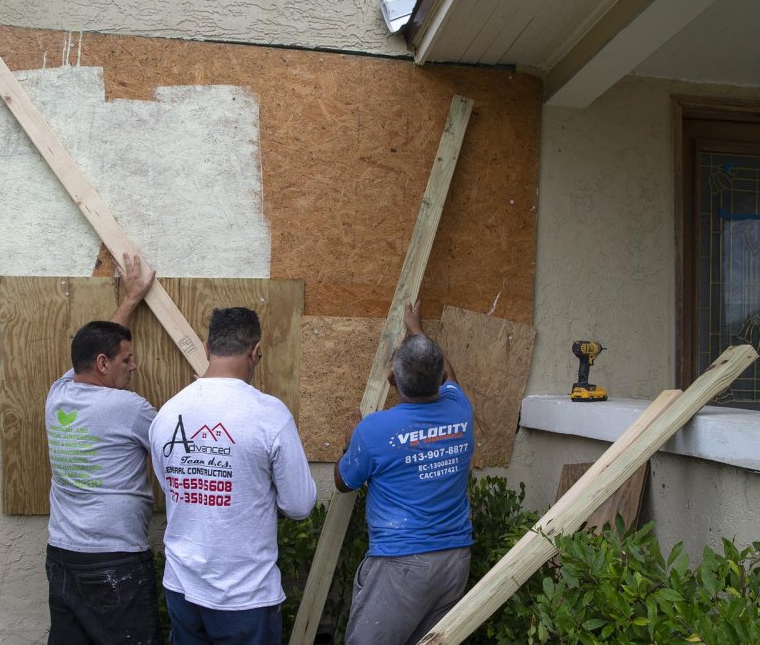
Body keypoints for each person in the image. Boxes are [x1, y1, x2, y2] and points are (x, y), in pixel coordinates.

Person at [149, 306, 317, 645]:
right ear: (255, 351)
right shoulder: (269, 415)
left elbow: (172, 488)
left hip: (182, 587)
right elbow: (299, 506)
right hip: (245, 596)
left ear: (207, 348)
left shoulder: (167, 413)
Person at [335, 300, 476, 645]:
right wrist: (418, 333)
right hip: (454, 561)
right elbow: (451, 376)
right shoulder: (461, 410)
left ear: (392, 379)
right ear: (440, 378)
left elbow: (343, 482)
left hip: (402, 564)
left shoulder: (374, 430)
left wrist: (351, 443)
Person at [43, 252, 163, 645]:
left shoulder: (59, 394)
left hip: (63, 556)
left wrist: (130, 299)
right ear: (103, 364)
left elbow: (100, 345)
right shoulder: (129, 408)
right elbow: (178, 445)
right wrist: (211, 389)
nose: (134, 366)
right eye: (127, 360)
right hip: (114, 560)